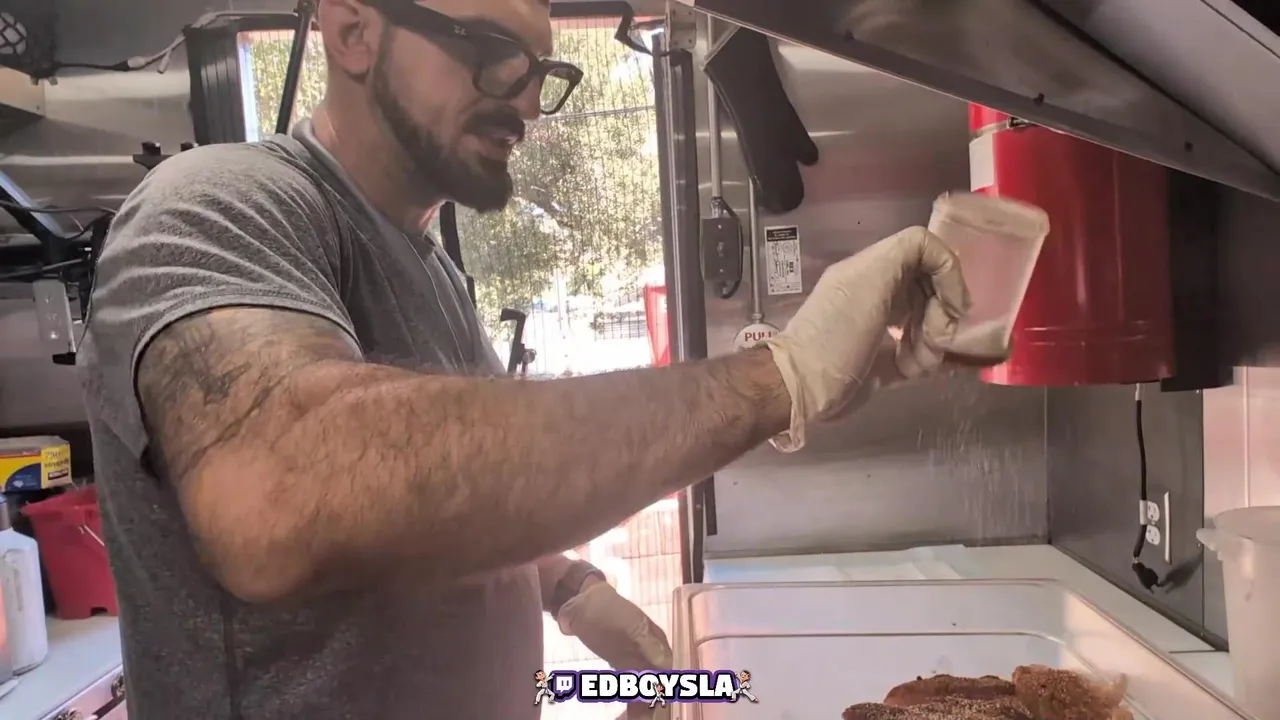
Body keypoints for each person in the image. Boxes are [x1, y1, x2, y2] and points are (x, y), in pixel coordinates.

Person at [76, 0, 974, 717]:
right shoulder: (216, 205)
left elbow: (437, 481)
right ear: (352, 29)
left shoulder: (433, 270)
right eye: (493, 52)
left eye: (543, 70)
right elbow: (284, 495)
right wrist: (780, 377)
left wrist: (568, 586)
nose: (530, 102)